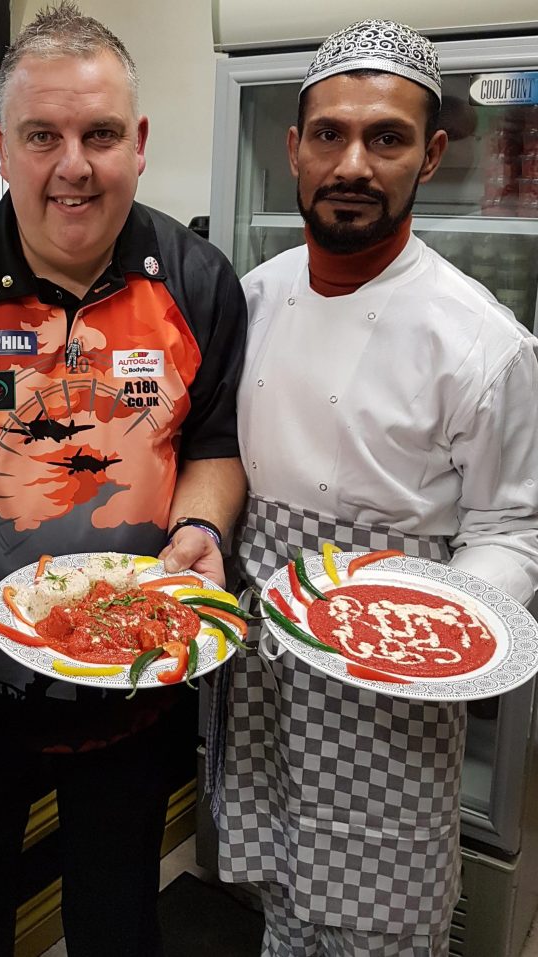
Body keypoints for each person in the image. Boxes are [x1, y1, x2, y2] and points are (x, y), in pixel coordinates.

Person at [0, 3, 247, 955]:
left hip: (132, 688)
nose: (72, 165)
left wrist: (198, 535)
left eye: (100, 134)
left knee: (117, 924)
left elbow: (212, 445)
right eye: (43, 135)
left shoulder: (199, 280)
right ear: (3, 148)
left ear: (142, 144)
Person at [211, 19, 538, 957]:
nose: (353, 163)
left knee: (378, 923)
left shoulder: (481, 341)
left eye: (386, 138)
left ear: (430, 155)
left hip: (391, 687)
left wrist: (426, 629)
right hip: (262, 666)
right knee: (276, 897)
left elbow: (514, 528)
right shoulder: (256, 294)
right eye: (331, 134)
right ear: (294, 148)